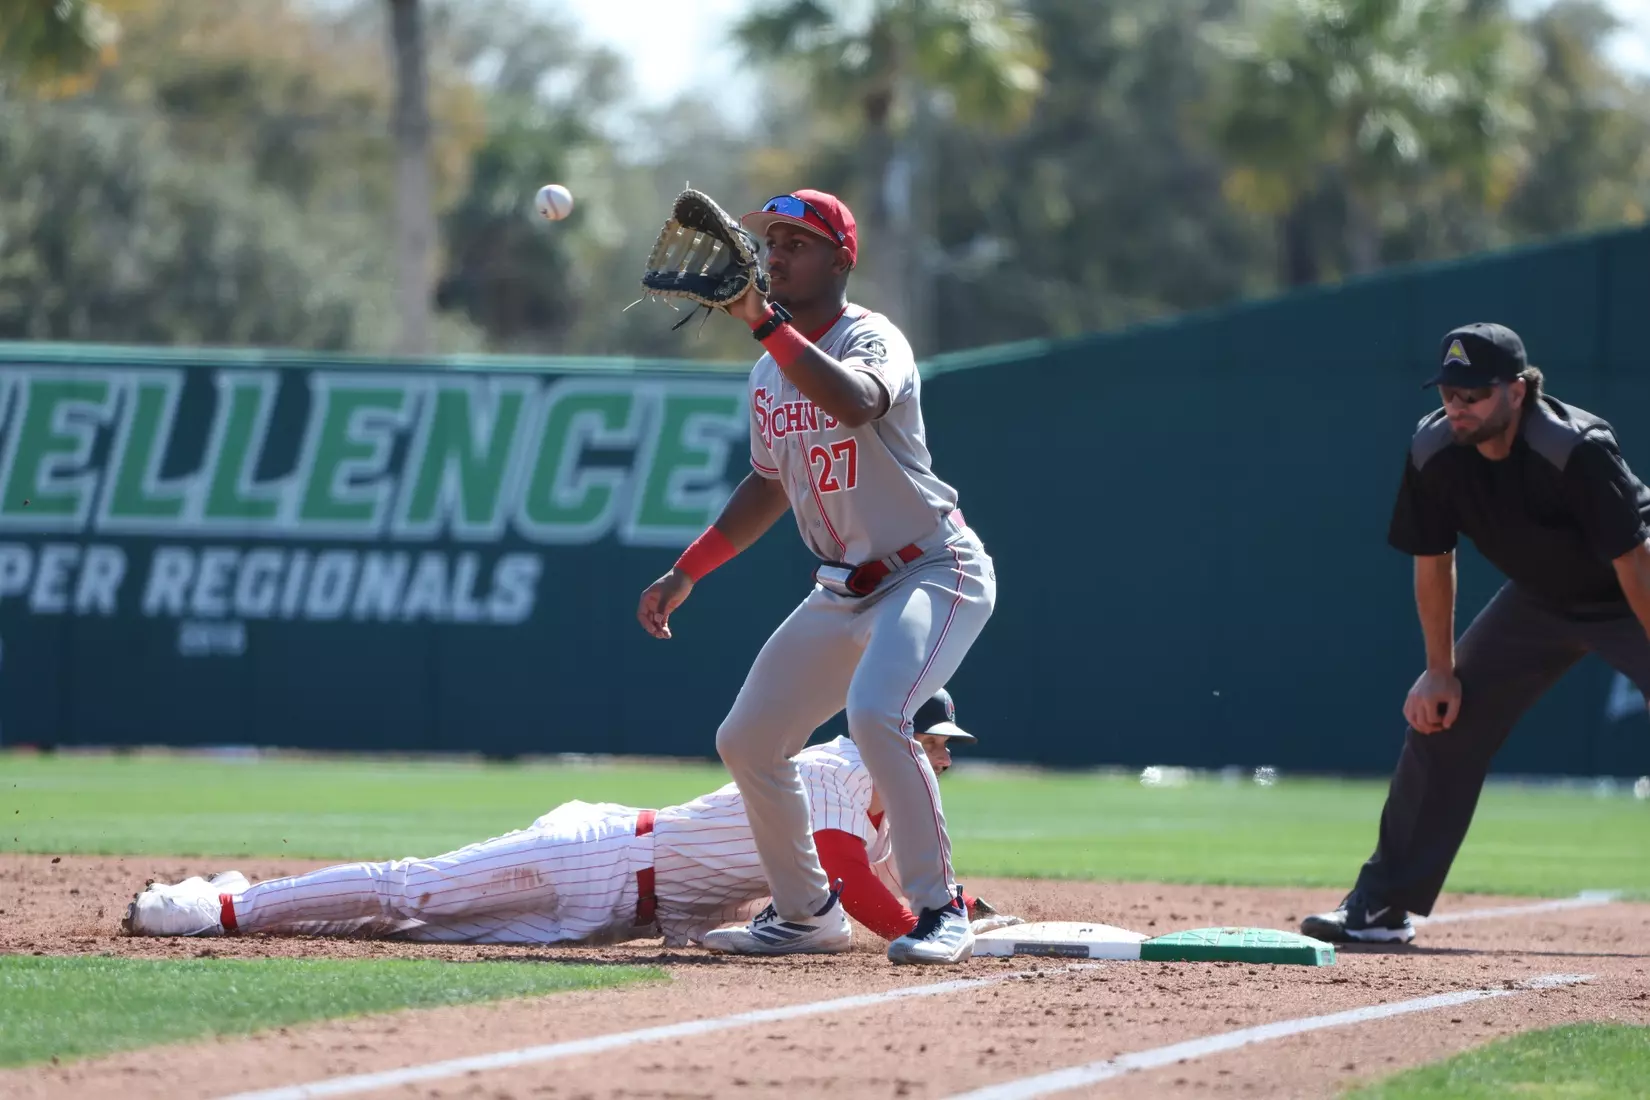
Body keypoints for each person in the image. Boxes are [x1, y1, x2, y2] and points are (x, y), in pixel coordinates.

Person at [635, 190, 997, 966]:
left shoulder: (874, 338)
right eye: (772, 243)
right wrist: (686, 571)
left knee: (877, 714)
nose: (776, 255)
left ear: (841, 257)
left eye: (798, 242)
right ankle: (805, 915)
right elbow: (767, 485)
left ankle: (940, 907)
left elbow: (860, 402)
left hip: (934, 569)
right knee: (749, 740)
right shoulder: (770, 372)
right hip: (842, 591)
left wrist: (766, 321)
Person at [122, 690, 1023, 947]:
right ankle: (221, 908)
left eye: (945, 745)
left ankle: (253, 899)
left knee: (409, 932)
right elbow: (854, 882)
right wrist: (918, 935)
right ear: (888, 730)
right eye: (932, 740)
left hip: (614, 921)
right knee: (413, 892)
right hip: (592, 861)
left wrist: (969, 917)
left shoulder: (897, 801)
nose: (941, 756)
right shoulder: (832, 764)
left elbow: (916, 885)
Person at [1302, 322, 1650, 945]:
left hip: (1630, 591)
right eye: (1449, 392)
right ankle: (1383, 905)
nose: (1457, 405)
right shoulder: (1434, 452)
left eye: (1474, 393)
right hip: (1541, 599)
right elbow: (1434, 560)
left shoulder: (1575, 447)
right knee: (1442, 719)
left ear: (1517, 391)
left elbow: (1633, 560)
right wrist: (1441, 670)